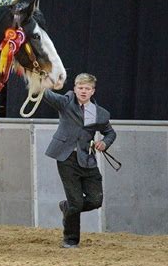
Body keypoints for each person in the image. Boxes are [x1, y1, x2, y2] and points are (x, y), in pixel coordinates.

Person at [43, 73, 116, 248]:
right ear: (75, 89)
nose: (83, 91)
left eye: (87, 88)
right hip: (66, 157)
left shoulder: (100, 113)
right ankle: (70, 240)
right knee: (76, 202)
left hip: (87, 159)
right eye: (80, 88)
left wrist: (104, 143)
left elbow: (110, 132)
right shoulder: (65, 102)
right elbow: (45, 94)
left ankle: (67, 207)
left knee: (95, 200)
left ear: (93, 91)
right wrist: (40, 80)